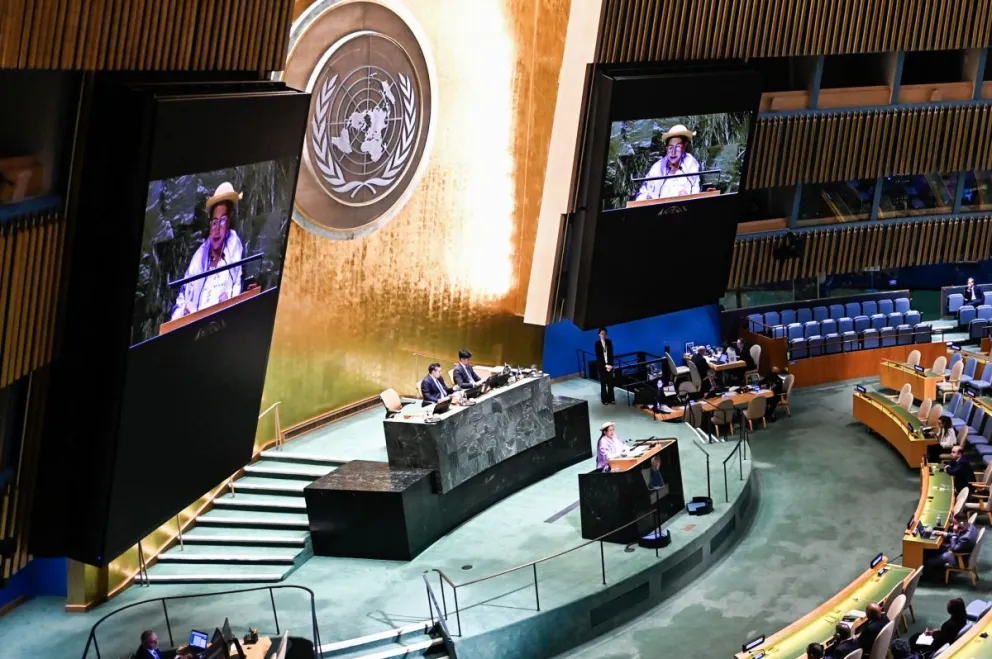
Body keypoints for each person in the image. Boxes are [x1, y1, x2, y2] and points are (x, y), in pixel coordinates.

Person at [171, 182, 245, 320]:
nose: (217, 230)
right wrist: (187, 307)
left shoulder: (233, 245)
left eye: (222, 221)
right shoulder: (199, 257)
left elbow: (237, 286)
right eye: (214, 222)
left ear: (228, 222)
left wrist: (228, 298)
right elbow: (181, 302)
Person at [634, 125, 701, 200]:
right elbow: (641, 194)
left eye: (678, 147)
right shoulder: (657, 168)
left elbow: (696, 191)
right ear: (666, 148)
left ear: (684, 146)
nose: (673, 152)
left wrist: (688, 196)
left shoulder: (691, 163)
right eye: (670, 147)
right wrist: (647, 198)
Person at [926, 512, 979, 577]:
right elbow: (959, 535)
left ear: (961, 523)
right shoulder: (971, 526)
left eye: (955, 523)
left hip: (959, 558)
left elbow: (953, 549)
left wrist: (954, 533)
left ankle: (927, 576)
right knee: (937, 548)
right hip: (962, 550)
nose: (954, 525)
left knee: (929, 562)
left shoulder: (966, 538)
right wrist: (942, 533)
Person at [595, 328, 616, 405]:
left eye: (604, 333)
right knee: (603, 384)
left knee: (610, 383)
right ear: (599, 334)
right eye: (601, 333)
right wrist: (605, 365)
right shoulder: (597, 344)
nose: (603, 335)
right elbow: (598, 356)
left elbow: (611, 354)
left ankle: (612, 399)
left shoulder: (609, 342)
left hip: (609, 365)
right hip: (602, 366)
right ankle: (604, 400)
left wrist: (610, 365)